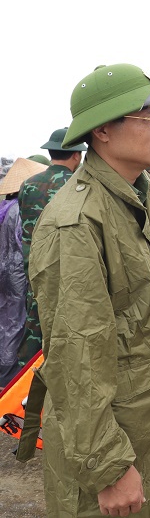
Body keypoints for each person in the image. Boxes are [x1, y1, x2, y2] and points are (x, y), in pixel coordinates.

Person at [28, 63, 150, 516]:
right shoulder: (77, 221)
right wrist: (108, 468)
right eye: (149, 118)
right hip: (115, 440)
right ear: (102, 131)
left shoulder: (144, 198)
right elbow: (76, 353)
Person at [17, 127, 86, 367]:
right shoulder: (81, 184)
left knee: (35, 324)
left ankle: (26, 383)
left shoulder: (28, 184)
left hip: (34, 267)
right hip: (69, 268)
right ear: (77, 155)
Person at [0, 157, 48, 387]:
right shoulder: (21, 210)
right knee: (16, 323)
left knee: (6, 318)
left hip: (6, 271)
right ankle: (8, 377)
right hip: (18, 273)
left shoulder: (5, 207)